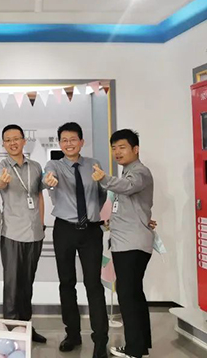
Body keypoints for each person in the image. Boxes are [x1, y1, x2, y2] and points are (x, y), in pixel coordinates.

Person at [44, 122, 109, 358]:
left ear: (82, 142)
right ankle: (72, 334)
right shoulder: (54, 165)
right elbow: (47, 178)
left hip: (91, 231)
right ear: (59, 143)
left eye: (73, 139)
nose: (69, 144)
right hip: (65, 229)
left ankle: (100, 341)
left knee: (93, 284)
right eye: (64, 140)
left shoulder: (94, 164)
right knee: (67, 282)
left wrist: (93, 214)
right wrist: (49, 180)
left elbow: (102, 194)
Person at [91, 129, 154, 358]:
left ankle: (134, 349)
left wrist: (104, 179)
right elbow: (128, 204)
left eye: (122, 147)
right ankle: (140, 345)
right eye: (114, 148)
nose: (117, 152)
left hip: (131, 244)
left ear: (135, 149)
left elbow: (128, 187)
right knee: (134, 295)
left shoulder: (139, 172)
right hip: (127, 241)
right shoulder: (128, 172)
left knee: (128, 296)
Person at [0, 125, 46, 343]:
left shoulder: (35, 167)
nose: (13, 143)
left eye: (16, 138)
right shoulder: (1, 167)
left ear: (24, 141)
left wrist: (41, 224)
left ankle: (25, 328)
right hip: (12, 234)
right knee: (12, 286)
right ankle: (11, 333)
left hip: (34, 234)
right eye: (8, 140)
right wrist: (3, 181)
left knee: (27, 285)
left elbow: (39, 196)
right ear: (3, 144)